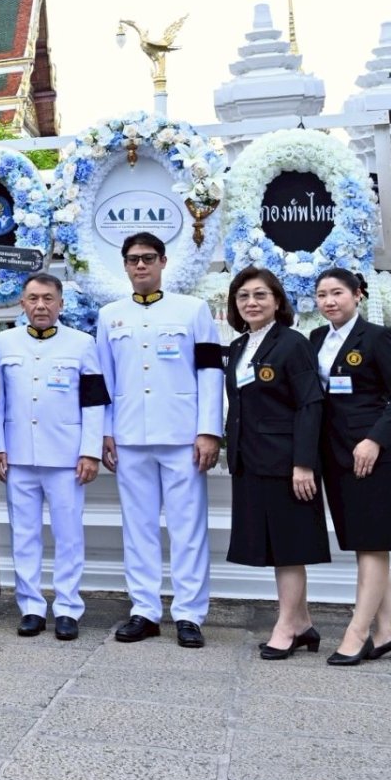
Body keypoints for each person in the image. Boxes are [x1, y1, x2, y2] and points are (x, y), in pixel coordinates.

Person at [98, 232, 224, 648]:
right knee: (139, 528)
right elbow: (104, 380)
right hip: (131, 436)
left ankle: (188, 613)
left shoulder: (193, 310)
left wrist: (209, 430)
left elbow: (210, 373)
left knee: (188, 528)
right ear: (125, 265)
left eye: (148, 258)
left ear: (164, 262)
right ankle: (145, 610)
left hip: (182, 435)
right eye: (132, 259)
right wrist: (106, 432)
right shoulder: (110, 315)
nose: (140, 266)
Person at [0, 272, 109, 640]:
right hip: (19, 454)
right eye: (33, 299)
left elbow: (94, 403)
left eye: (48, 299)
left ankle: (68, 607)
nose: (40, 306)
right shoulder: (4, 342)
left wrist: (90, 452)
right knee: (23, 534)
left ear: (61, 304)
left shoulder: (82, 343)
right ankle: (30, 606)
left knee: (68, 534)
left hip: (66, 456)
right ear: (22, 303)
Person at [311, 267, 391, 665]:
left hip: (373, 457)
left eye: (337, 293)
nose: (329, 301)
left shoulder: (377, 338)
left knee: (373, 544)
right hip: (335, 455)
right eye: (322, 295)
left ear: (358, 295)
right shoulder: (317, 339)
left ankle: (357, 633)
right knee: (362, 543)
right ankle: (388, 631)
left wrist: (374, 439)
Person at [225, 266, 330, 658]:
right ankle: (301, 623)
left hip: (285, 462)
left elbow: (310, 404)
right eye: (243, 297)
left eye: (260, 296)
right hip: (250, 459)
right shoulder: (238, 347)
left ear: (278, 301)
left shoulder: (292, 343)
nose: (251, 303)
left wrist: (303, 463)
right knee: (272, 545)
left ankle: (286, 626)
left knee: (289, 546)